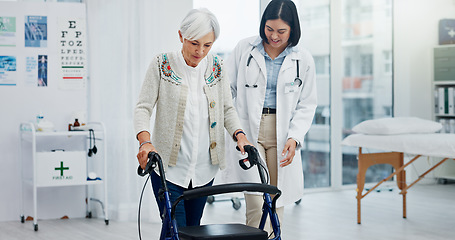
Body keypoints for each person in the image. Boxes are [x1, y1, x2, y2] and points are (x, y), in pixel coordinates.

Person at [134, 8, 252, 228]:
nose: (200, 51)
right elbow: (143, 107)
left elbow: (227, 108)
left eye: (207, 45)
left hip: (204, 170)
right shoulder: (162, 64)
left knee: (192, 229)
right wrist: (145, 142)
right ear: (181, 36)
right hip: (168, 170)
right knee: (174, 227)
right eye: (194, 43)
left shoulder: (217, 67)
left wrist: (240, 136)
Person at [223, 0, 317, 234]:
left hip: (283, 131)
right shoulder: (245, 49)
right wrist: (235, 129)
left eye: (281, 31)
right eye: (269, 29)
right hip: (248, 129)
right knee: (255, 201)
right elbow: (226, 90)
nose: (274, 36)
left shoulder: (302, 59)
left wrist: (294, 137)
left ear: (293, 29)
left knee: (276, 198)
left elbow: (307, 104)